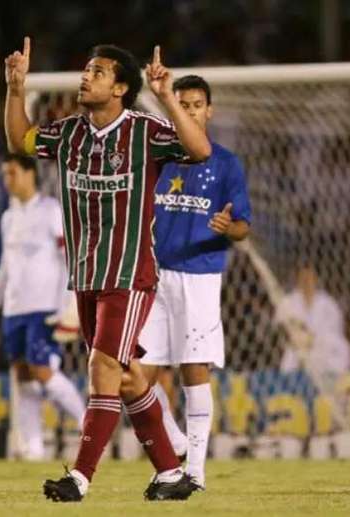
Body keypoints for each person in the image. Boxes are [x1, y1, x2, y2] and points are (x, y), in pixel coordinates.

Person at [3, 37, 211, 501]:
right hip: (87, 276)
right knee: (130, 375)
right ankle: (170, 473)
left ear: (119, 87)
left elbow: (198, 150)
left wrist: (166, 98)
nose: (85, 76)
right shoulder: (69, 133)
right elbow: (19, 140)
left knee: (102, 365)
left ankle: (79, 478)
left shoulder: (145, 131)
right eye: (86, 69)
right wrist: (16, 89)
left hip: (129, 274)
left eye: (97, 72)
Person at [137, 75, 252, 491]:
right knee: (134, 376)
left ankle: (196, 472)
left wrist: (229, 226)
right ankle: (175, 441)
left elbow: (243, 227)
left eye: (196, 104)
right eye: (181, 104)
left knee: (193, 370)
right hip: (153, 278)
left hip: (199, 277)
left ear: (209, 110)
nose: (189, 111)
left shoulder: (225, 163)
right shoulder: (157, 157)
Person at [0, 153, 86, 460]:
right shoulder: (8, 218)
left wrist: (71, 303)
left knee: (42, 370)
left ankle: (88, 425)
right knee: (22, 375)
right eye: (4, 174)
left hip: (45, 307)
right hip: (14, 309)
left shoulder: (51, 210)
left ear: (29, 174)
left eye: (11, 173)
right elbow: (4, 268)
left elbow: (69, 259)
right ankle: (33, 449)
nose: (6, 180)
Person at [276, 263, 350, 376]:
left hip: (323, 345)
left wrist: (314, 338)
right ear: (297, 280)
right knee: (289, 363)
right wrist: (299, 337)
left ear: (315, 279)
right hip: (297, 347)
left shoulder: (328, 303)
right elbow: (280, 327)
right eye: (303, 277)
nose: (306, 281)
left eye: (309, 277)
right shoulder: (288, 302)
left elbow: (337, 330)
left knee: (343, 350)